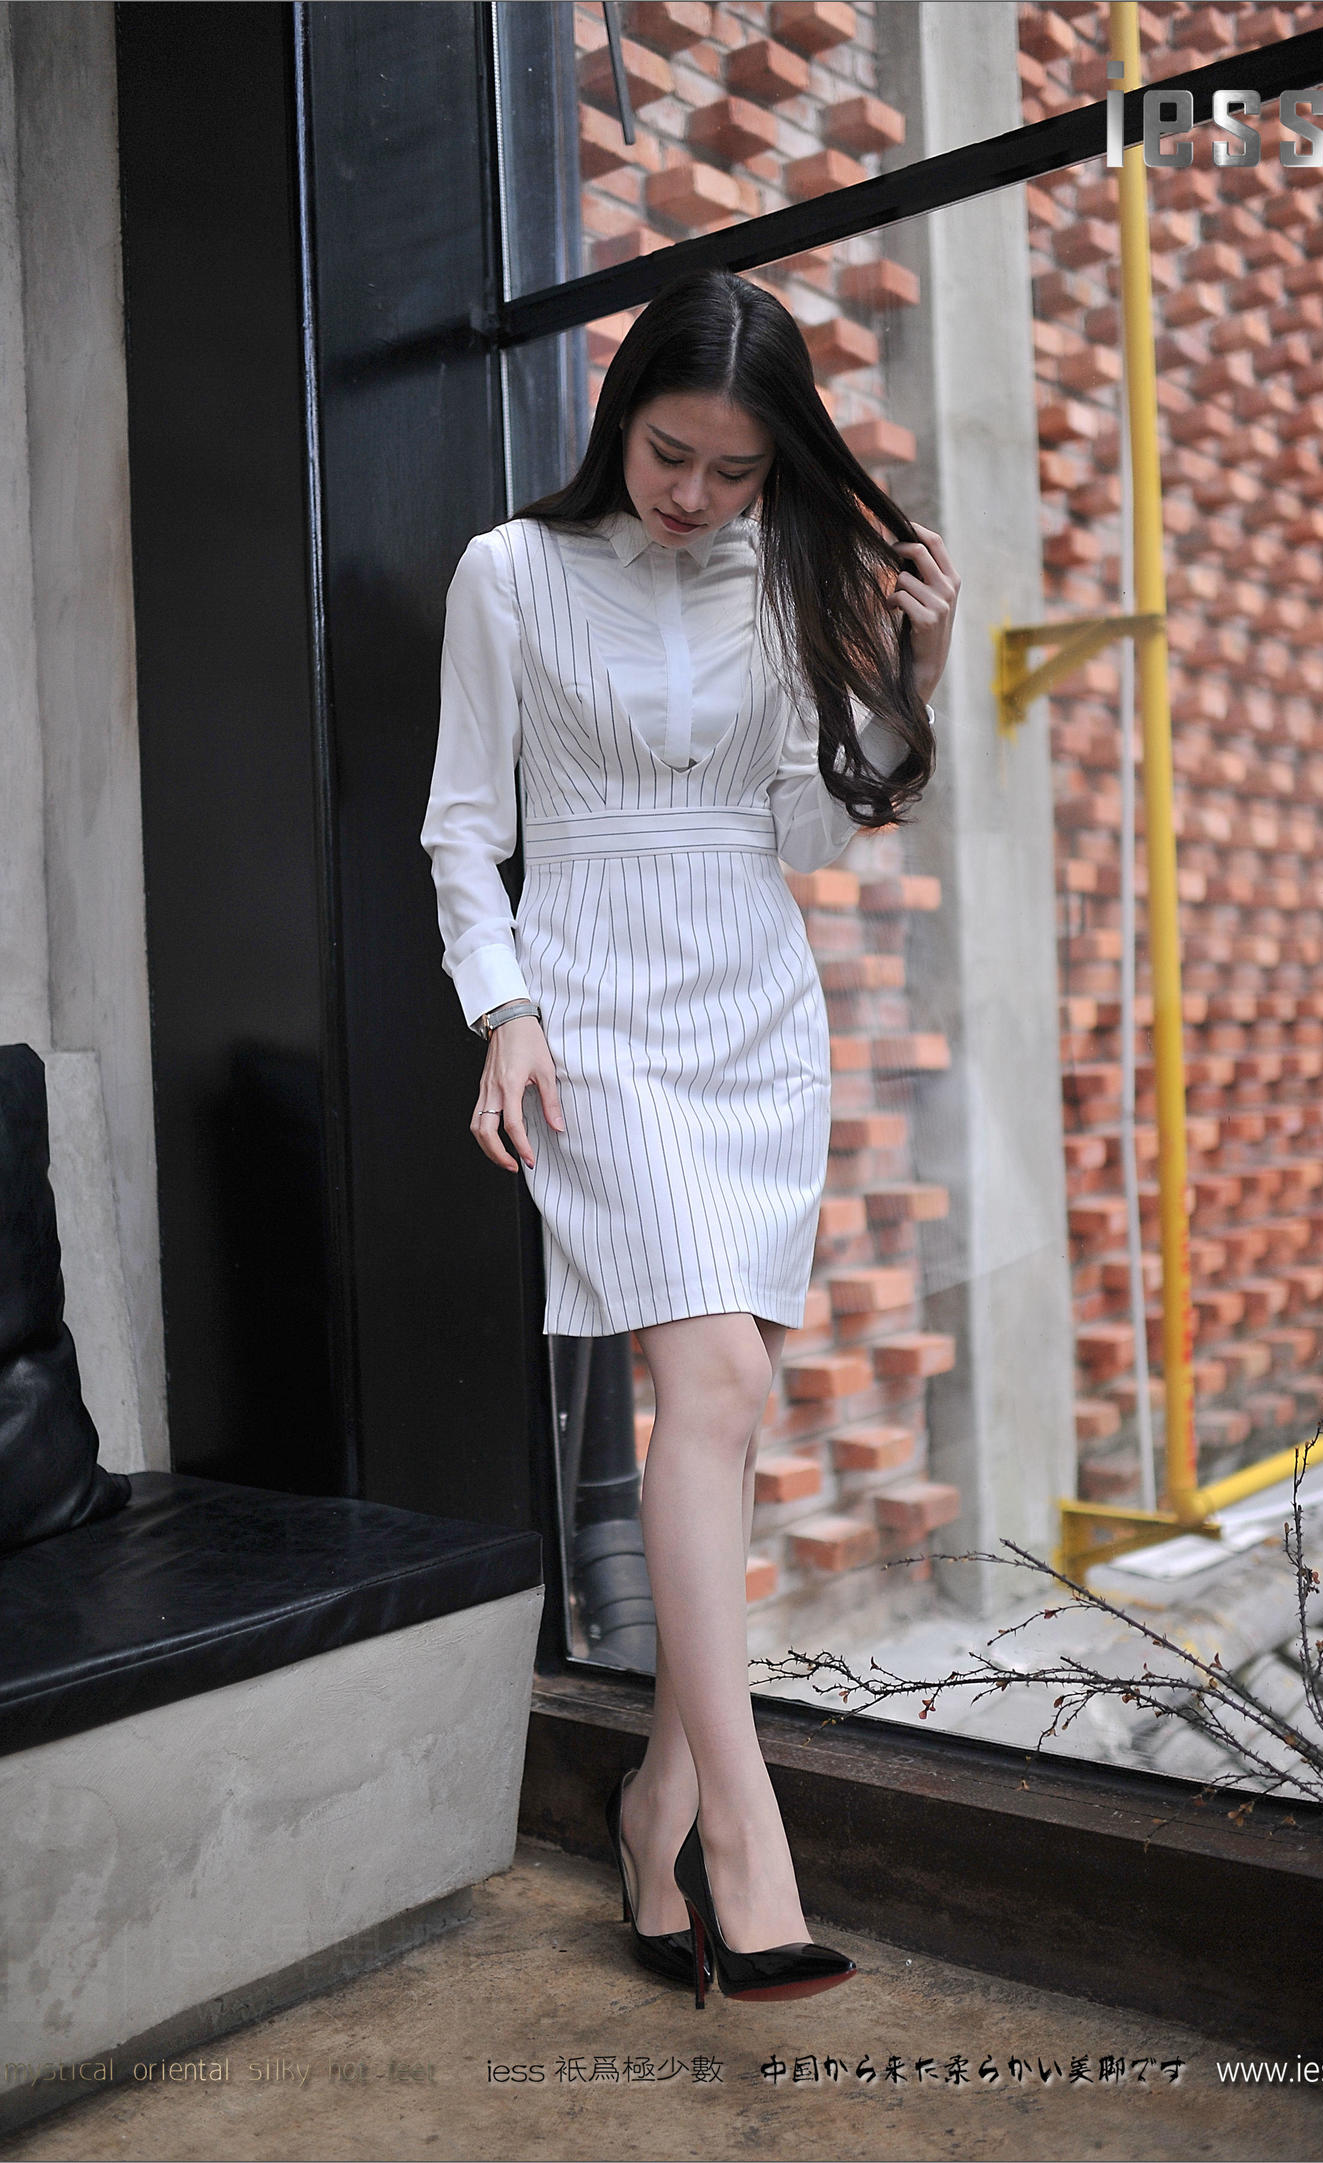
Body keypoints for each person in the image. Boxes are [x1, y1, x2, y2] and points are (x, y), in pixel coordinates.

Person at [422, 268, 958, 2004]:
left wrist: (912, 667)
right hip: (596, 1009)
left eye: (737, 471)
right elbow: (462, 829)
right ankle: (746, 1836)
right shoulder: (511, 574)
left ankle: (654, 1806)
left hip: (754, 1014)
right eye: (672, 455)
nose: (697, 496)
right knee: (712, 1386)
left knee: (723, 1420)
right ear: (621, 416)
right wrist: (505, 1013)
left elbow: (810, 827)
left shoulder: (784, 579)